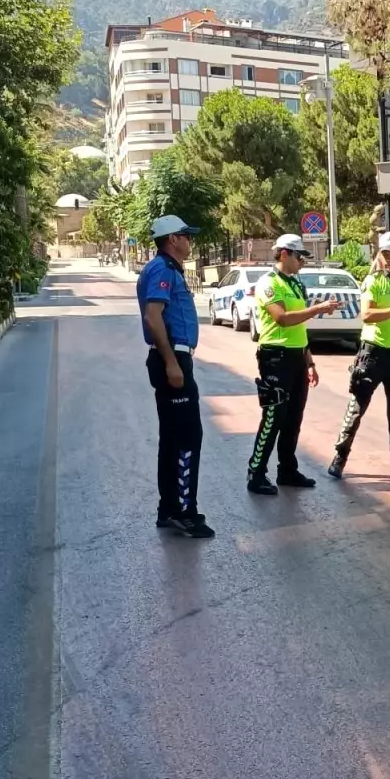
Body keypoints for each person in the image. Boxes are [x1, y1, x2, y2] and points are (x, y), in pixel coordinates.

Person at [138, 215, 215, 538]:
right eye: (185, 235)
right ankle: (185, 511)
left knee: (173, 438)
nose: (189, 240)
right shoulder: (162, 270)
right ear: (171, 239)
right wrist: (172, 362)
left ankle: (169, 508)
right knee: (186, 437)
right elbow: (153, 316)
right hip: (172, 357)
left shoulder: (166, 270)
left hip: (175, 356)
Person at [247, 234, 341, 496]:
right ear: (284, 254)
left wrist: (309, 360)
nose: (303, 262)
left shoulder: (296, 284)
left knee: (294, 418)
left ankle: (287, 469)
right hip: (275, 357)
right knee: (273, 417)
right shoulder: (269, 283)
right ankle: (256, 472)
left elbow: (299, 327)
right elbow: (283, 319)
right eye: (300, 256)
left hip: (297, 356)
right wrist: (318, 309)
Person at [328, 232, 390, 480]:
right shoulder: (373, 281)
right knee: (356, 407)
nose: (389, 258)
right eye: (385, 253)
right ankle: (340, 456)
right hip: (372, 353)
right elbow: (367, 314)